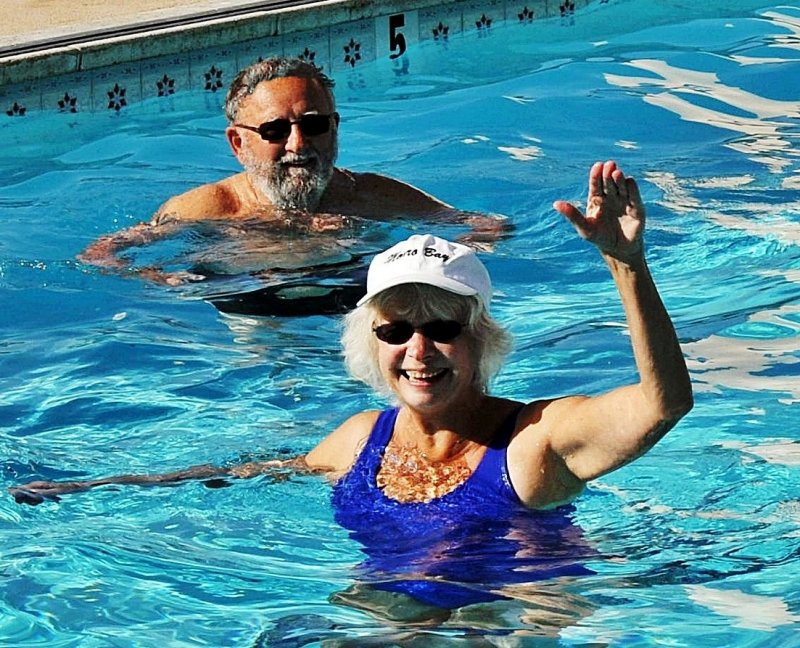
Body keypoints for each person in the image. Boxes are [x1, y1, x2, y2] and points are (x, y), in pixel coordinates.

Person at [11, 161, 693, 613]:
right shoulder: (359, 439)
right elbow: (249, 473)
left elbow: (663, 405)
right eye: (396, 330)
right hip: (388, 609)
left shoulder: (533, 443)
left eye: (443, 327)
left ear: (481, 338)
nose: (418, 350)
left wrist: (626, 265)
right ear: (373, 344)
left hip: (516, 616)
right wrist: (94, 491)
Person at [78, 56, 507, 289]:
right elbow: (100, 255)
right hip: (248, 301)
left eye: (314, 124)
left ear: (335, 129)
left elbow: (485, 225)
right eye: (275, 130)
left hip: (355, 296)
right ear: (238, 143)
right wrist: (157, 278)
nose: (298, 144)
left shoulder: (372, 196)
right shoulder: (207, 208)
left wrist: (456, 261)